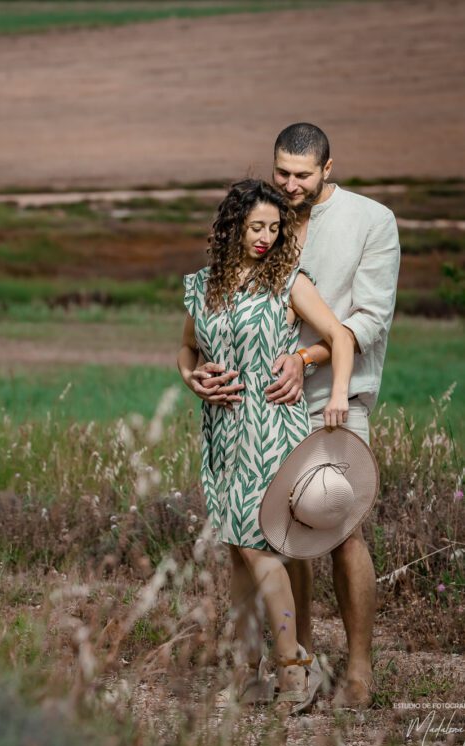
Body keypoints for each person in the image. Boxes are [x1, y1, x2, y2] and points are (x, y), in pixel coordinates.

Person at [195, 124, 401, 709]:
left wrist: (305, 359)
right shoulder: (269, 215)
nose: (290, 185)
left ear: (327, 169)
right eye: (281, 172)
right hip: (265, 404)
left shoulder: (371, 221)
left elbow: (368, 319)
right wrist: (203, 367)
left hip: (335, 397)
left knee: (341, 528)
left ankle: (358, 671)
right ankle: (300, 663)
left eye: (302, 175)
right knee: (282, 533)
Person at [177, 178, 354, 714]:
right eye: (257, 226)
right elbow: (186, 349)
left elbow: (339, 337)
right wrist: (192, 379)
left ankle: (294, 671)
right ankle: (247, 673)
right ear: (232, 226)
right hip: (222, 434)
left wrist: (336, 393)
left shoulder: (288, 283)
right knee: (237, 552)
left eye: (275, 229)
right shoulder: (204, 286)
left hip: (271, 430)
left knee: (259, 547)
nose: (265, 238)